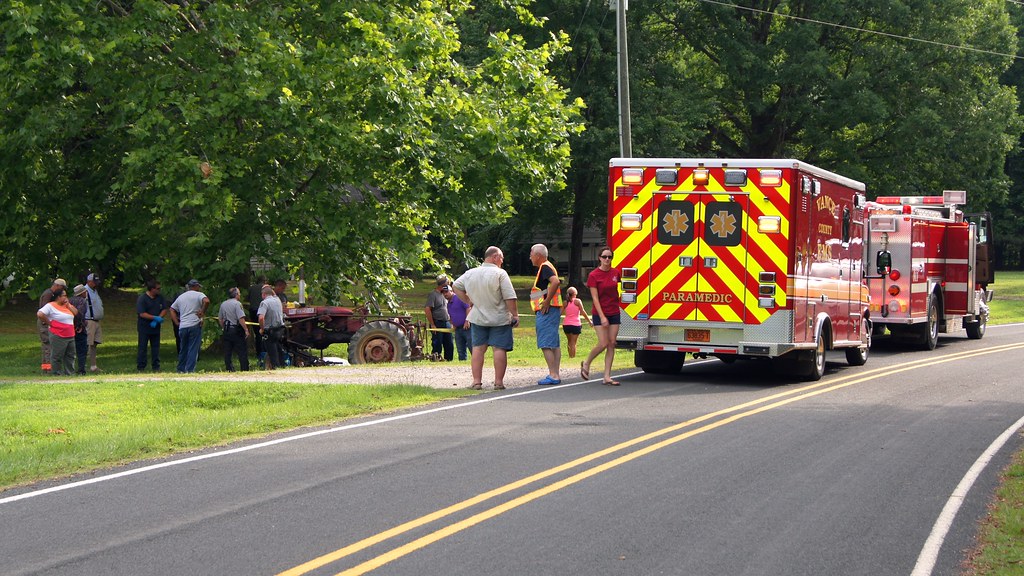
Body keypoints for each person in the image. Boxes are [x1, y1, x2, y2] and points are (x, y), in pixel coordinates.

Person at [452, 246, 518, 390]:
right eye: (501, 257)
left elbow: (455, 285)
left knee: (478, 349)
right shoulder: (500, 274)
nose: (502, 260)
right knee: (499, 348)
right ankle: (498, 382)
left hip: (478, 317)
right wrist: (515, 315)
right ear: (494, 257)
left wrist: (468, 300)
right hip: (499, 318)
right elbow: (510, 297)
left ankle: (476, 382)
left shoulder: (470, 273)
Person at [582, 247, 622, 386]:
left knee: (612, 343)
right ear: (599, 258)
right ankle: (587, 363)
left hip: (614, 312)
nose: (607, 259)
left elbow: (618, 290)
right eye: (604, 257)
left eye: (609, 257)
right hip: (600, 312)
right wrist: (602, 316)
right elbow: (595, 298)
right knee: (603, 343)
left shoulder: (616, 273)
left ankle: (607, 376)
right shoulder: (594, 275)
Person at [529, 243, 562, 385]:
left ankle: (553, 374)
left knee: (546, 343)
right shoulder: (547, 266)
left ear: (538, 255)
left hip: (547, 310)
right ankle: (555, 373)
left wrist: (547, 301)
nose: (530, 257)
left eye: (531, 254)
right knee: (553, 342)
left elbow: (555, 282)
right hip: (553, 309)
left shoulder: (545, 267)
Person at [170, 279, 209, 373]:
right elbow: (207, 301)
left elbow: (172, 309)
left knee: (183, 348)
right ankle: (190, 370)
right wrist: (202, 311)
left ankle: (180, 369)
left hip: (183, 326)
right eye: (198, 286)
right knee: (193, 348)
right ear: (195, 286)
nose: (199, 288)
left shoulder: (181, 297)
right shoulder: (199, 295)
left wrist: (176, 322)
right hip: (194, 324)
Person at [36, 287, 78, 376]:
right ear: (58, 297)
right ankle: (56, 373)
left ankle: (70, 373)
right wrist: (49, 323)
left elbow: (75, 313)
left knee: (70, 355)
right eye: (64, 296)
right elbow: (40, 314)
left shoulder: (67, 305)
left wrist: (69, 305)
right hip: (58, 334)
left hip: (70, 334)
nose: (66, 298)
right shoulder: (51, 305)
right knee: (57, 355)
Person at [136, 279, 167, 372]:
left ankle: (156, 366)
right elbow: (142, 313)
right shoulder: (142, 298)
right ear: (152, 289)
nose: (159, 290)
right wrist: (154, 318)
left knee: (156, 347)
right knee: (142, 347)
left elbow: (164, 309)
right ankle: (141, 367)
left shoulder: (160, 297)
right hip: (144, 327)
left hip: (155, 328)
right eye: (157, 288)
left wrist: (159, 318)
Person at [37, 278, 67, 373]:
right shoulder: (48, 294)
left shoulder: (50, 293)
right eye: (62, 288)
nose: (62, 290)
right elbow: (44, 310)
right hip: (44, 323)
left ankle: (46, 368)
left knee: (47, 345)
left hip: (45, 322)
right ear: (57, 285)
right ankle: (49, 369)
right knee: (48, 345)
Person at [218, 287, 250, 371]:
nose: (240, 295)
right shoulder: (237, 304)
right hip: (236, 330)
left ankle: (229, 368)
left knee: (227, 351)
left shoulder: (223, 304)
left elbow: (220, 319)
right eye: (239, 293)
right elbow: (241, 318)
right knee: (242, 351)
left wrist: (223, 327)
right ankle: (244, 368)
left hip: (227, 330)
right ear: (236, 295)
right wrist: (246, 329)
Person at [424, 275, 454, 361]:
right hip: (437, 322)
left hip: (446, 322)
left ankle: (449, 360)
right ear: (442, 285)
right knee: (437, 343)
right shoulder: (433, 294)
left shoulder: (445, 294)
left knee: (449, 344)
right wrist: (433, 324)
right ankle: (436, 359)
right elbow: (427, 309)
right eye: (447, 284)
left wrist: (451, 322)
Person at [258, 285, 286, 369]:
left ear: (263, 294)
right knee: (279, 349)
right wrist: (269, 288)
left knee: (272, 351)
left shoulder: (264, 303)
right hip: (280, 329)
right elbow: (273, 294)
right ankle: (282, 366)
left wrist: (262, 329)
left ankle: (276, 367)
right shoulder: (277, 300)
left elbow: (261, 317)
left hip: (270, 331)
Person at [562, 286, 593, 359]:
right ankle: (573, 357)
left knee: (569, 341)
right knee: (573, 342)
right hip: (576, 324)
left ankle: (570, 356)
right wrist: (589, 321)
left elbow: (560, 313)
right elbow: (583, 312)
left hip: (566, 324)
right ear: (575, 294)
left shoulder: (565, 302)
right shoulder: (577, 301)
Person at [83, 272, 105, 373]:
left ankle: (93, 365)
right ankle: (83, 365)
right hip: (89, 321)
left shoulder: (94, 291)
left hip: (96, 321)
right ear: (89, 281)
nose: (96, 284)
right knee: (88, 343)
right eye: (94, 282)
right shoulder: (85, 291)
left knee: (94, 344)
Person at [445, 286, 472, 361]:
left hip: (467, 327)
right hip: (458, 328)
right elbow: (451, 314)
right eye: (443, 292)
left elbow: (468, 308)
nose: (445, 294)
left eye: (446, 292)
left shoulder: (459, 298)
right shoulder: (448, 303)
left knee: (472, 346)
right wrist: (453, 324)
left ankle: (477, 362)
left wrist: (467, 321)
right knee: (460, 349)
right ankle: (462, 363)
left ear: (451, 291)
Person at [69, 284, 89, 375]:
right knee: (82, 350)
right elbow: (79, 314)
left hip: (69, 327)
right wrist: (80, 325)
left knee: (70, 351)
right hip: (79, 329)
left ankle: (69, 369)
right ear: (82, 293)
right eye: (85, 291)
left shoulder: (69, 300)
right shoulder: (82, 301)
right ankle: (81, 369)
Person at [248, 275, 267, 361]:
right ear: (264, 281)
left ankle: (259, 351)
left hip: (253, 311)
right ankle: (263, 351)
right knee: (264, 331)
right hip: (262, 312)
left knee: (257, 332)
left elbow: (248, 298)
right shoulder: (265, 288)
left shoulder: (251, 288)